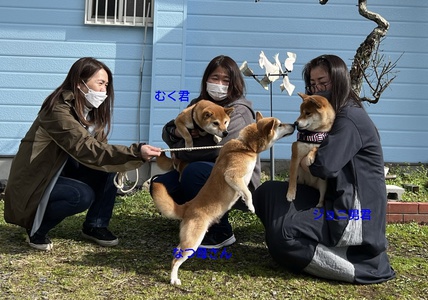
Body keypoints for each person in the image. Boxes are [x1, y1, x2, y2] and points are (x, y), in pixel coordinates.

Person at [253, 54, 396, 284]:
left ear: (340, 81)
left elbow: (323, 166)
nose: (318, 88)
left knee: (282, 236)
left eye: (324, 82)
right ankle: (306, 238)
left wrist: (303, 153)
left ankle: (356, 264)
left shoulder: (349, 118)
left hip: (351, 216)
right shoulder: (334, 113)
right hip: (329, 198)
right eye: (313, 84)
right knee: (266, 193)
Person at [4, 57, 161, 251]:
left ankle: (96, 225)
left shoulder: (91, 112)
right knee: (80, 195)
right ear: (80, 84)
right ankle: (36, 229)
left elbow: (100, 153)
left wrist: (129, 156)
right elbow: (86, 148)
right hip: (36, 180)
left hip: (60, 172)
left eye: (107, 85)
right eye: (100, 83)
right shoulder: (57, 111)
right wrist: (135, 152)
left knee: (109, 169)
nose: (104, 90)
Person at [150, 55, 260, 248]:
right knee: (160, 185)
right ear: (206, 80)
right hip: (196, 166)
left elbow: (216, 151)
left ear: (235, 84)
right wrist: (176, 132)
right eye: (215, 78)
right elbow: (169, 129)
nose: (219, 84)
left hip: (234, 177)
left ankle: (220, 230)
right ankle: (193, 219)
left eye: (226, 80)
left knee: (195, 172)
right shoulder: (198, 104)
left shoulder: (238, 111)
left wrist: (179, 147)